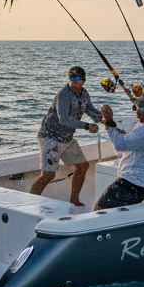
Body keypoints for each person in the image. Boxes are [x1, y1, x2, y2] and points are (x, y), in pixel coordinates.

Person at [30, 66, 113, 208]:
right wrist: (87, 126)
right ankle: (29, 202)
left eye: (77, 78)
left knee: (83, 166)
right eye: (72, 78)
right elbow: (64, 119)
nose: (74, 81)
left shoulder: (84, 94)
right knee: (48, 175)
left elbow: (93, 113)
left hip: (67, 137)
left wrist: (107, 117)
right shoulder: (63, 94)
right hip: (50, 136)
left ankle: (74, 200)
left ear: (83, 80)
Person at [93, 90, 144, 210]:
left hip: (135, 183)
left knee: (99, 209)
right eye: (138, 106)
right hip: (142, 182)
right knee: (122, 211)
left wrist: (110, 125)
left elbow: (120, 145)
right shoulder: (143, 124)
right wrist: (117, 131)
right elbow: (121, 152)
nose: (139, 111)